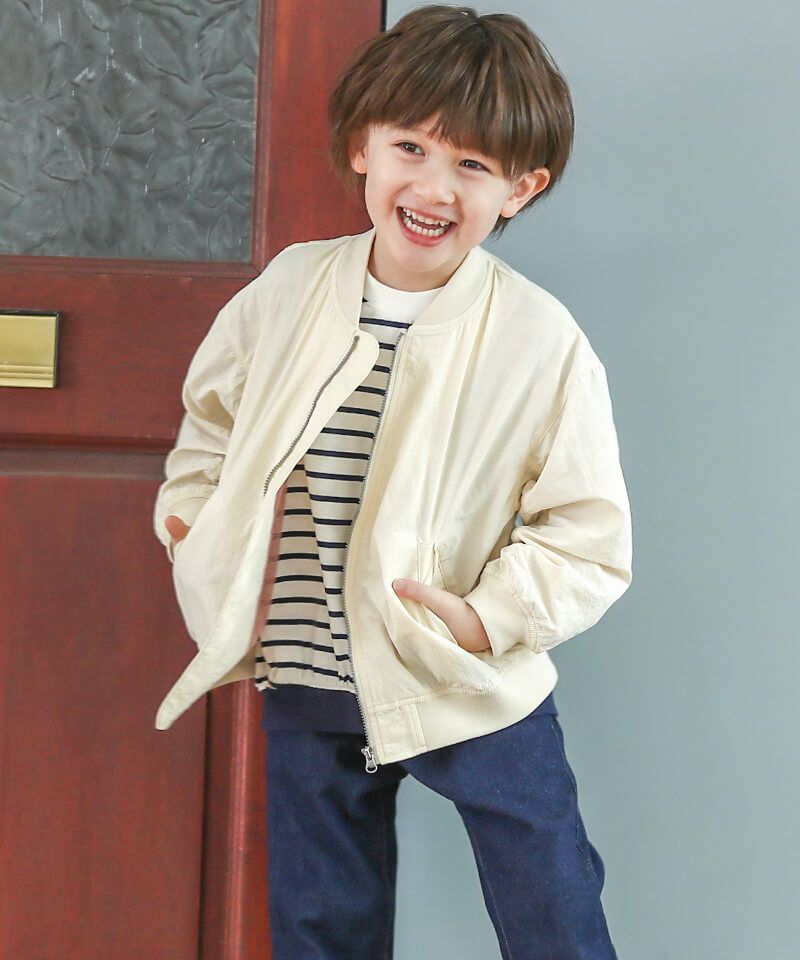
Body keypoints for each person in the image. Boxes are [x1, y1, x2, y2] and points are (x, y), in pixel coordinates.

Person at [153, 5, 633, 957]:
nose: (433, 186)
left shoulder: (539, 340)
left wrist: (484, 619)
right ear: (362, 147)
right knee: (320, 918)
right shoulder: (289, 290)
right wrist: (193, 520)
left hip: (456, 667)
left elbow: (587, 535)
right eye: (410, 147)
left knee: (553, 903)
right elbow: (210, 419)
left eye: (473, 165)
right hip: (307, 661)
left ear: (521, 188)